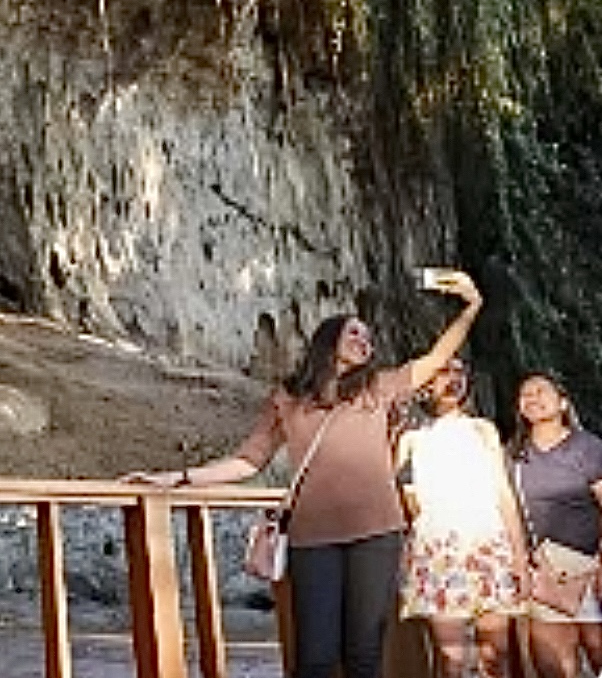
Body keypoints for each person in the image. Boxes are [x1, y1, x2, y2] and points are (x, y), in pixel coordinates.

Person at [129, 272, 484, 678]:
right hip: (313, 537)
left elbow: (436, 359)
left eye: (368, 338)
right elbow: (249, 460)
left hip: (376, 533)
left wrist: (471, 307)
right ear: (328, 339)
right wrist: (176, 479)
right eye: (354, 333)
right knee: (313, 656)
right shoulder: (289, 398)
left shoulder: (378, 388)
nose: (364, 342)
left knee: (363, 655)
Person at [393, 356, 528, 678]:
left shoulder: (483, 430)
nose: (452, 379)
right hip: (439, 547)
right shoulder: (410, 438)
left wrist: (519, 555)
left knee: (496, 652)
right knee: (451, 657)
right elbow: (392, 489)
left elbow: (503, 492)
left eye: (459, 372)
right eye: (443, 371)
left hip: (487, 543)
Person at [512, 371, 602, 678]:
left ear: (563, 402)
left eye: (541, 391)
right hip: (545, 574)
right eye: (526, 393)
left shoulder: (588, 448)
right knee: (553, 665)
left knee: (596, 646)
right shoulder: (514, 455)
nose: (532, 397)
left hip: (592, 568)